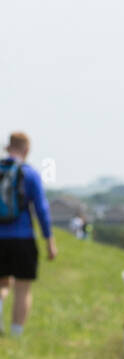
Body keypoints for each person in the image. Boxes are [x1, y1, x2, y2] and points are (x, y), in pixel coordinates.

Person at [0, 132, 56, 337]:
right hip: (22, 236)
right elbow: (41, 209)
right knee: (22, 287)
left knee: (2, 282)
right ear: (26, 149)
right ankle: (15, 334)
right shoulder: (29, 174)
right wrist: (49, 240)